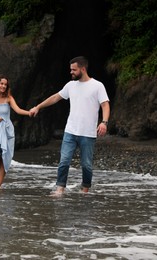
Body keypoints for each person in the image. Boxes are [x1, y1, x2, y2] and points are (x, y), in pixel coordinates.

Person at [29, 56, 110, 195]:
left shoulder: (97, 85)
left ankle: (85, 190)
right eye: (70, 69)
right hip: (70, 131)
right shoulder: (70, 85)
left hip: (88, 133)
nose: (71, 72)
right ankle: (60, 188)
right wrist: (38, 107)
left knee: (86, 165)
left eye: (74, 70)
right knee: (64, 161)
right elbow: (55, 97)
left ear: (83, 69)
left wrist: (104, 122)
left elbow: (105, 104)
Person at [0, 74, 30, 188]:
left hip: (7, 130)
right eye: (1, 84)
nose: (3, 86)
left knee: (4, 158)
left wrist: (29, 113)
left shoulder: (9, 98)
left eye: (5, 84)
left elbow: (18, 110)